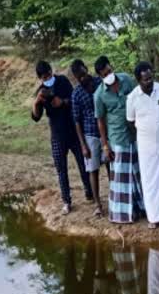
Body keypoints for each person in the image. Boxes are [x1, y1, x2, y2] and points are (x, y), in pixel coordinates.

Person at [31, 60, 93, 215]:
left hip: (72, 131)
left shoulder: (63, 81)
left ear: (52, 72)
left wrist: (62, 102)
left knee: (83, 163)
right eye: (45, 77)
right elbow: (36, 117)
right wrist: (36, 102)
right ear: (40, 78)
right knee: (61, 170)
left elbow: (74, 100)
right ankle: (67, 201)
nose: (48, 77)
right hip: (57, 136)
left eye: (49, 74)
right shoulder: (41, 91)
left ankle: (89, 191)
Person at [94, 55, 145, 224]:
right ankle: (123, 214)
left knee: (138, 173)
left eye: (109, 71)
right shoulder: (99, 95)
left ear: (111, 67)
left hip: (135, 134)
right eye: (104, 74)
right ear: (100, 77)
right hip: (117, 138)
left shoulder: (126, 80)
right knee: (122, 178)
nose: (108, 74)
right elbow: (100, 121)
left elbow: (139, 99)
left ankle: (142, 208)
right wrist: (105, 146)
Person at [126, 61, 159, 229]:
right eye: (145, 80)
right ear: (138, 80)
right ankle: (154, 217)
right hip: (146, 146)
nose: (149, 82)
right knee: (150, 180)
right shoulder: (133, 98)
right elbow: (130, 122)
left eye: (151, 78)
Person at [71, 59, 106, 217]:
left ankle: (115, 199)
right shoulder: (76, 93)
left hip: (106, 132)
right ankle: (98, 204)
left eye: (83, 74)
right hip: (90, 134)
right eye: (79, 77)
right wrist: (83, 145)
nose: (82, 79)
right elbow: (76, 121)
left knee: (111, 166)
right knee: (93, 170)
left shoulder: (100, 82)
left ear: (87, 69)